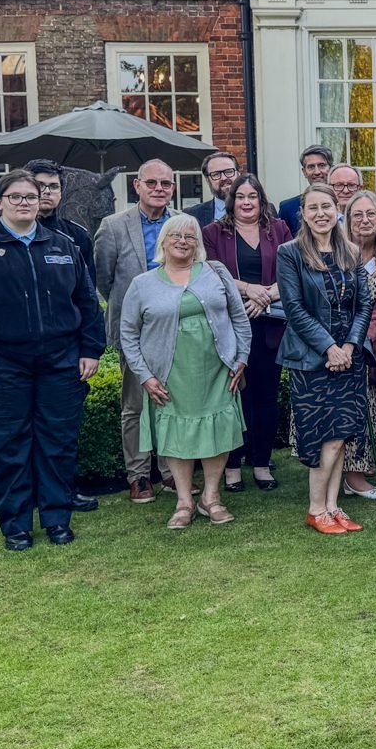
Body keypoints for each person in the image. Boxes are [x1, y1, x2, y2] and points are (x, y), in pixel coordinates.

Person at [0, 171, 105, 550]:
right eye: (15, 197)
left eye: (32, 195)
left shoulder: (63, 245)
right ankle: (16, 526)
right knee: (7, 446)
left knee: (58, 443)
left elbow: (87, 304)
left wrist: (91, 349)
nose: (25, 202)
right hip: (0, 365)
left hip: (61, 363)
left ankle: (57, 519)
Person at [119, 214, 251, 529]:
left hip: (218, 369)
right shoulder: (142, 284)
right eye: (176, 235)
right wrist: (146, 376)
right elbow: (128, 335)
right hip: (169, 374)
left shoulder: (215, 273)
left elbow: (239, 318)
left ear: (198, 244)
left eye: (190, 236)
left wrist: (241, 357)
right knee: (177, 434)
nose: (183, 241)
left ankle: (211, 497)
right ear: (162, 241)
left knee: (216, 433)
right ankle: (183, 502)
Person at [277, 183, 375, 535]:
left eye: (326, 206)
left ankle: (334, 507)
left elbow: (364, 304)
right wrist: (329, 348)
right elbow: (294, 309)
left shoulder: (350, 250)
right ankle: (316, 508)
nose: (320, 213)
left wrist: (349, 346)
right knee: (322, 437)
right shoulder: (290, 253)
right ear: (302, 213)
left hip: (349, 359)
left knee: (342, 435)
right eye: (312, 207)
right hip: (311, 360)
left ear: (338, 210)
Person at [201, 172, 291, 493]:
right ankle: (232, 465)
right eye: (241, 197)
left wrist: (266, 295)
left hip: (269, 326)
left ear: (261, 200)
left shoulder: (278, 230)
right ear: (232, 200)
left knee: (266, 397)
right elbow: (211, 273)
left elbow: (292, 272)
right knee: (233, 396)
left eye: (252, 196)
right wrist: (250, 290)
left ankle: (262, 463)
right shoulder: (213, 233)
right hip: (230, 327)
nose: (247, 202)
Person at [94, 158, 177, 502]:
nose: (160, 189)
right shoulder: (113, 226)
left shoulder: (182, 223)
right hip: (135, 330)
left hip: (176, 327)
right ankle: (139, 475)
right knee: (135, 405)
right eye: (152, 183)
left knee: (175, 402)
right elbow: (104, 279)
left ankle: (173, 472)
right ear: (137, 186)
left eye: (166, 184)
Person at [339, 189, 376, 498]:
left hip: (371, 347)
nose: (364, 220)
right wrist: (342, 342)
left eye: (370, 214)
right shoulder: (335, 250)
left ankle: (357, 475)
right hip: (335, 347)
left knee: (366, 412)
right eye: (357, 215)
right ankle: (340, 475)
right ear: (347, 220)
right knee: (341, 413)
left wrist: (360, 340)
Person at [25, 158, 96, 289]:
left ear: (61, 193)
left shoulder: (77, 236)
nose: (47, 191)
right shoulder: (12, 233)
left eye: (54, 186)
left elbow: (88, 287)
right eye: (40, 185)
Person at [278, 144, 334, 235]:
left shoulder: (344, 203)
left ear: (331, 169)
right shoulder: (288, 209)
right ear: (304, 172)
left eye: (322, 165)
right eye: (311, 167)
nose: (317, 172)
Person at [188, 151, 240, 227]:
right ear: (208, 180)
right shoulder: (192, 215)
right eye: (216, 174)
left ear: (239, 174)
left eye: (229, 172)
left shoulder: (258, 210)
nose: (223, 178)